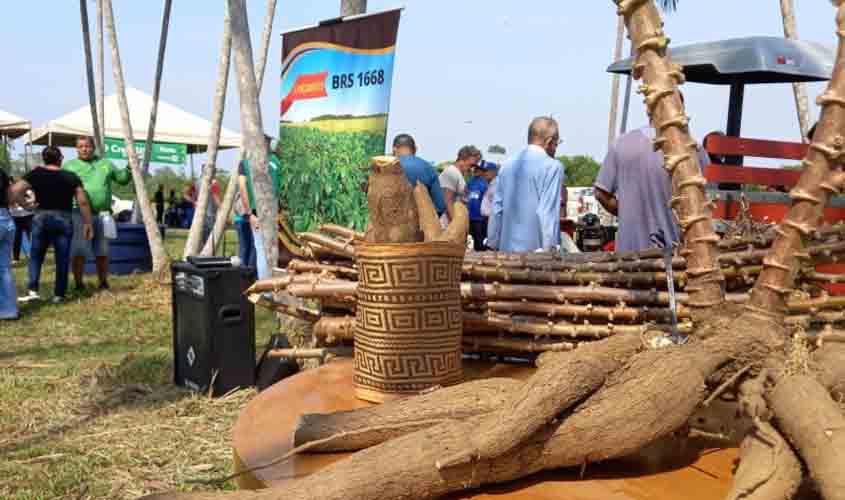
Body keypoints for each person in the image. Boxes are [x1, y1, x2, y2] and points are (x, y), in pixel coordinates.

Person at [595, 121, 710, 253]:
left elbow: (600, 193)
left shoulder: (621, 144)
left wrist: (628, 213)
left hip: (629, 255)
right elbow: (706, 203)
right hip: (675, 255)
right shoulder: (693, 149)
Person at [12, 146, 93, 304]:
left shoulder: (36, 174)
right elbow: (82, 201)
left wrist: (27, 205)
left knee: (36, 256)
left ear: (44, 158)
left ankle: (33, 291)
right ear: (60, 159)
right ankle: (59, 295)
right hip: (64, 218)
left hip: (41, 216)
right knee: (62, 258)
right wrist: (88, 222)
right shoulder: (70, 176)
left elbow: (15, 191)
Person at [487, 117, 565, 252]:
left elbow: (497, 210)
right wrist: (550, 251)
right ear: (549, 141)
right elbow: (547, 213)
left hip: (507, 255)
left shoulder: (507, 166)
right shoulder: (553, 167)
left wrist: (493, 243)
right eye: (556, 144)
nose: (555, 149)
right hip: (535, 259)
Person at [63, 136, 131, 291]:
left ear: (93, 147)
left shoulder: (105, 163)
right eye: (80, 146)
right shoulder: (69, 166)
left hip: (103, 215)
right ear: (76, 149)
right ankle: (79, 284)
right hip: (78, 214)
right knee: (79, 250)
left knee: (102, 251)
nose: (84, 149)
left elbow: (122, 179)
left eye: (87, 146)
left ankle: (103, 282)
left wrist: (129, 168)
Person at [239, 138, 283, 279]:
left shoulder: (246, 163)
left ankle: (267, 290)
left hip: (257, 214)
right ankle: (274, 286)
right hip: (276, 213)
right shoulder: (277, 162)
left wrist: (249, 214)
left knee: (261, 251)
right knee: (274, 251)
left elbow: (242, 187)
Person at [391, 134, 447, 216]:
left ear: (394, 149)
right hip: (419, 225)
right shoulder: (429, 168)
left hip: (389, 224)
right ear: (415, 149)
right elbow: (440, 206)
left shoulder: (385, 168)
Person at [440, 145, 481, 225]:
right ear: (463, 159)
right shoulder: (451, 173)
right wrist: (456, 224)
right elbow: (448, 201)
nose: (472, 168)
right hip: (447, 225)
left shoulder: (459, 174)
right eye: (472, 164)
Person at [0, 167, 20, 319]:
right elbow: (11, 197)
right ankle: (9, 310)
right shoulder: (2, 172)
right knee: (4, 268)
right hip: (7, 218)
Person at [467, 161, 497, 251]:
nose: (475, 170)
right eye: (474, 168)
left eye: (478, 169)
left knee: (480, 243)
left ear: (482, 171)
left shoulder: (485, 183)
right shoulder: (471, 181)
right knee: (472, 242)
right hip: (470, 217)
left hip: (480, 219)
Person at [11, 193, 33, 263]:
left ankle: (33, 256)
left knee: (34, 237)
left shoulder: (28, 190)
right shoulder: (10, 191)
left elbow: (33, 200)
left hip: (28, 216)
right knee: (16, 238)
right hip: (16, 217)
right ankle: (16, 258)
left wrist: (23, 203)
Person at [202, 177, 222, 247]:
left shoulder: (199, 182)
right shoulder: (214, 183)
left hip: (200, 216)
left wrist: (195, 202)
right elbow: (216, 197)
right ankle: (208, 254)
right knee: (210, 238)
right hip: (210, 214)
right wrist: (222, 210)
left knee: (202, 237)